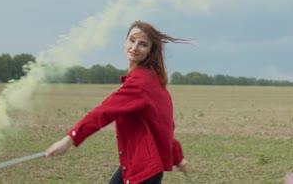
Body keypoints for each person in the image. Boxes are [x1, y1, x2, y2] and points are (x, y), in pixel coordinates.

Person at [45, 21, 189, 184]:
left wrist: (69, 139)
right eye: (132, 40)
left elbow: (104, 112)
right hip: (142, 165)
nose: (135, 47)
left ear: (150, 51)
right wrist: (178, 157)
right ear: (125, 41)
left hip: (144, 169)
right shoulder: (151, 79)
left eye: (143, 44)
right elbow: (161, 124)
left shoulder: (140, 83)